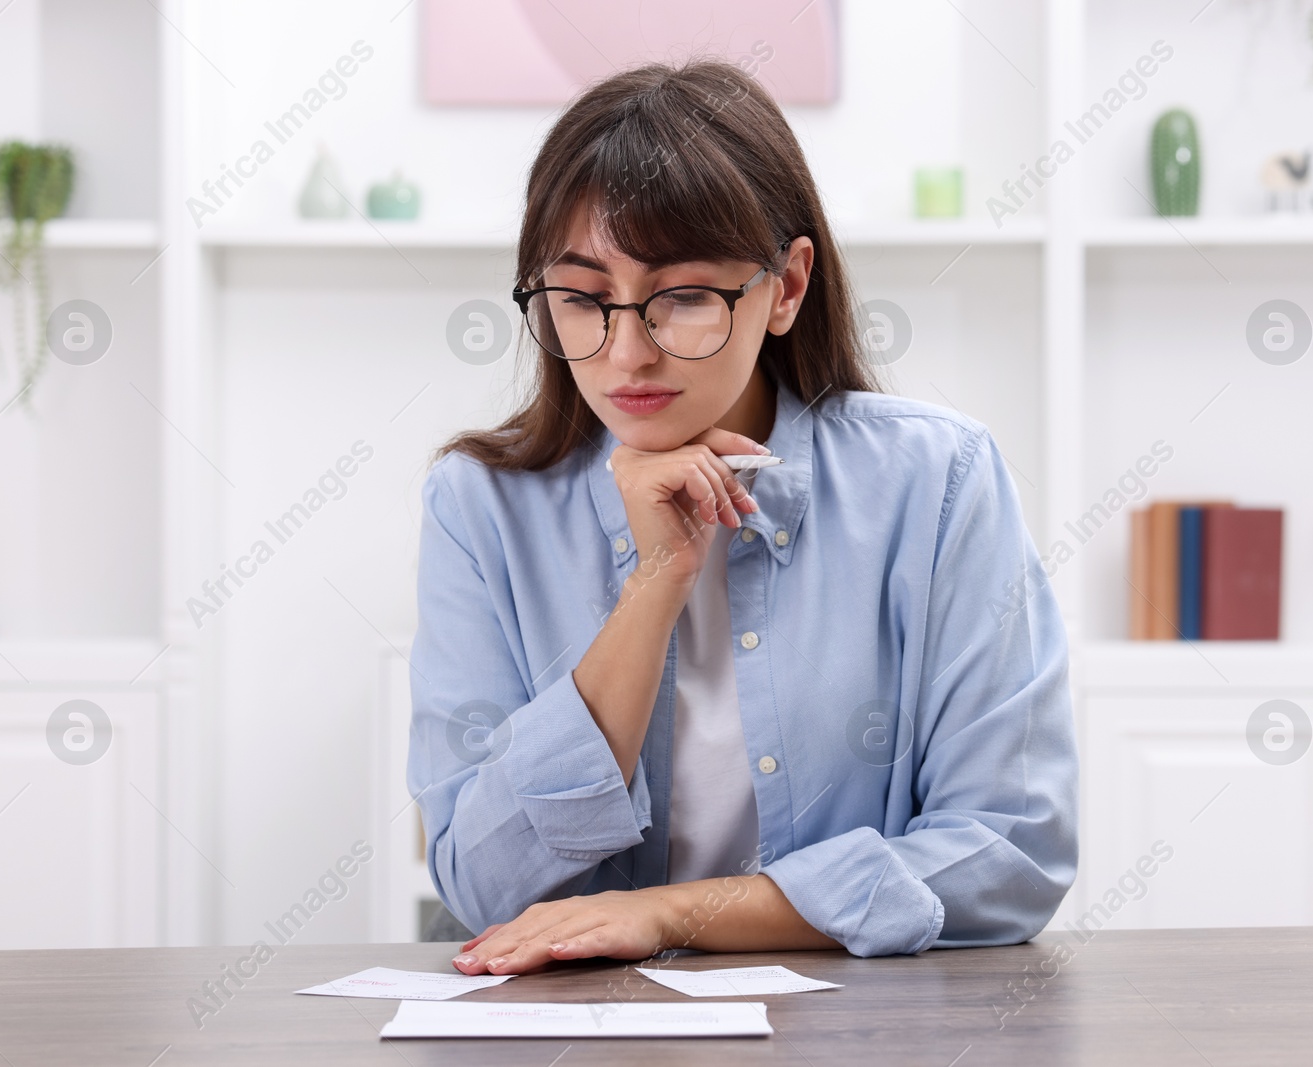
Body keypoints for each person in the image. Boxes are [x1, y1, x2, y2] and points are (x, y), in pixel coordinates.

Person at [408, 59, 1077, 978]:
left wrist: (671, 913)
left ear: (787, 286)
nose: (627, 354)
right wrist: (655, 584)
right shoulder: (479, 505)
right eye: (582, 299)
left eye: (683, 296)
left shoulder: (938, 480)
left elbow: (1008, 854)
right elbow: (483, 885)